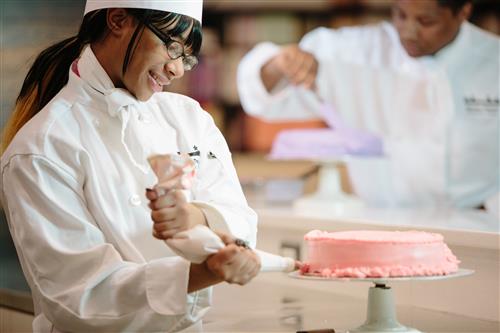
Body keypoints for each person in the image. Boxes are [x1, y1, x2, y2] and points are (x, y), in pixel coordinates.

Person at [0, 1, 261, 332]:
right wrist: (202, 274)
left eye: (187, 56)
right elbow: (80, 297)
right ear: (118, 19)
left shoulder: (189, 119)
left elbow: (240, 218)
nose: (178, 69)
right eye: (171, 46)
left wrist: (197, 216)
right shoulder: (41, 149)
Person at [237, 0, 499, 212]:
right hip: (384, 220)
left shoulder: (493, 60)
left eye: (425, 21)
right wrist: (281, 62)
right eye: (400, 14)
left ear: (463, 11)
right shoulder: (355, 51)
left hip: (479, 224)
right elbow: (262, 97)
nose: (408, 31)